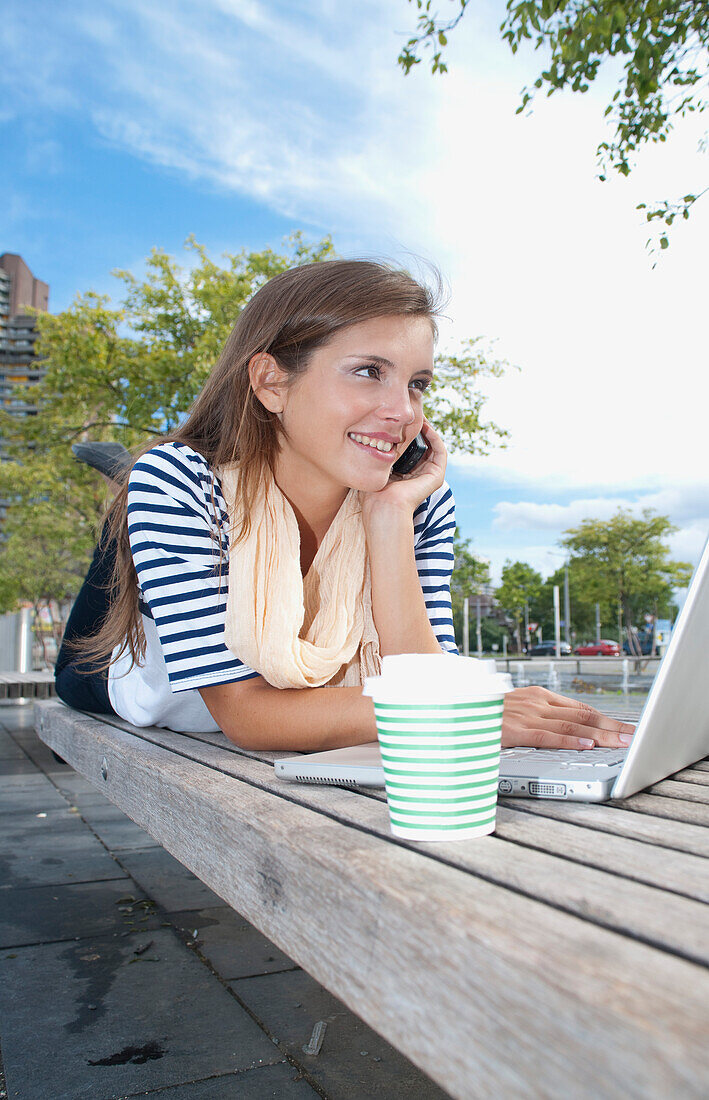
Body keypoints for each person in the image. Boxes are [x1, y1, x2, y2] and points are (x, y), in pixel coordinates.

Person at [56, 260, 634, 753]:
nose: (403, 411)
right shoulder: (184, 485)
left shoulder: (419, 502)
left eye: (417, 384)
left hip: (318, 693)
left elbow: (423, 676)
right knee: (145, 491)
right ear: (271, 382)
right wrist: (457, 713)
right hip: (147, 677)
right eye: (367, 372)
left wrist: (387, 519)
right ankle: (124, 487)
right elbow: (245, 715)